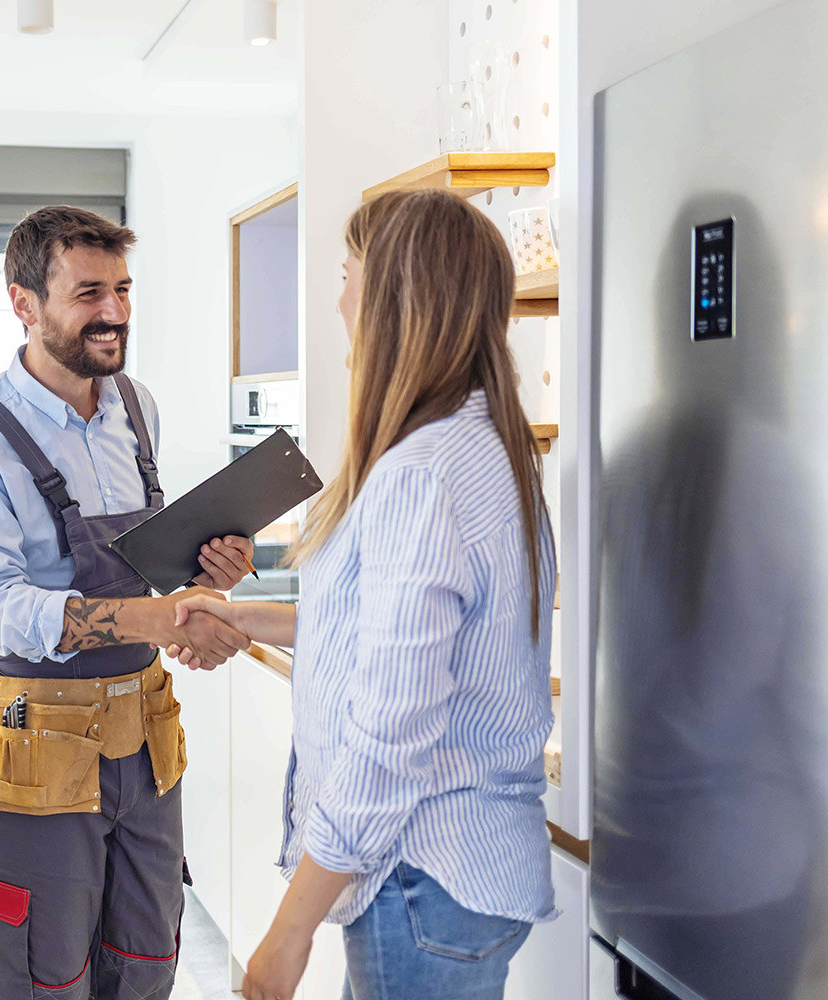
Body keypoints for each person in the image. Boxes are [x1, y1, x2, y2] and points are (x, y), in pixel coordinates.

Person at [171, 189, 558, 999]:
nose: (338, 299)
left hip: (418, 877)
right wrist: (241, 616)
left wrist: (290, 928)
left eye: (348, 275)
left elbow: (390, 731)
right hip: (462, 880)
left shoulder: (420, 475)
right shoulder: (484, 447)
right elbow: (375, 635)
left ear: (392, 299)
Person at [0, 204, 254, 1000]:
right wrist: (157, 615)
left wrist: (209, 574)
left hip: (144, 736)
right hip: (37, 743)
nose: (113, 313)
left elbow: (146, 566)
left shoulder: (136, 408)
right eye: (88, 293)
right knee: (46, 972)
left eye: (124, 290)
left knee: (145, 958)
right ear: (24, 303)